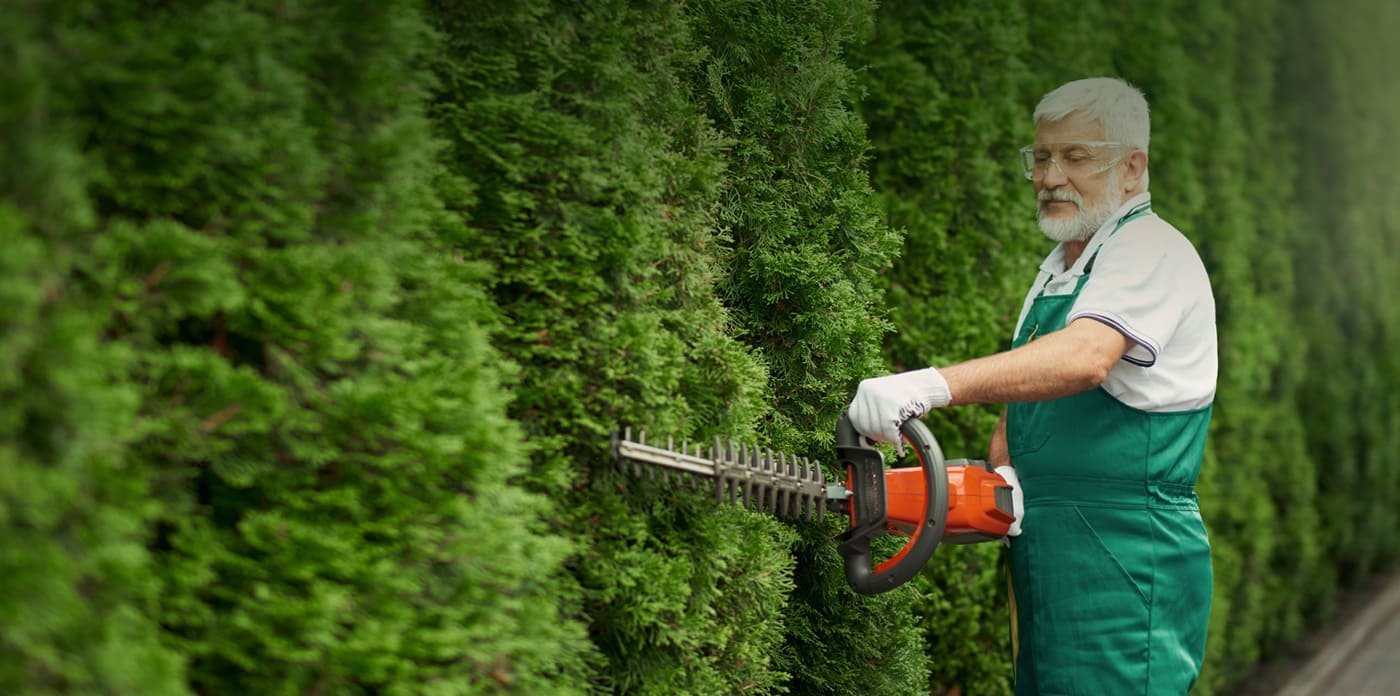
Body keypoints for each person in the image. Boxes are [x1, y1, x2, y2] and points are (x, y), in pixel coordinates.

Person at [847, 77, 1217, 695]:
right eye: (1041, 157)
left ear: (1133, 168)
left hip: (1125, 553)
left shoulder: (1150, 248)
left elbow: (1085, 358)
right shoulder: (1061, 270)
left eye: (1076, 156)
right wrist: (1003, 473)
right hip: (1046, 551)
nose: (1050, 177)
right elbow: (1029, 394)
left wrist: (932, 385)